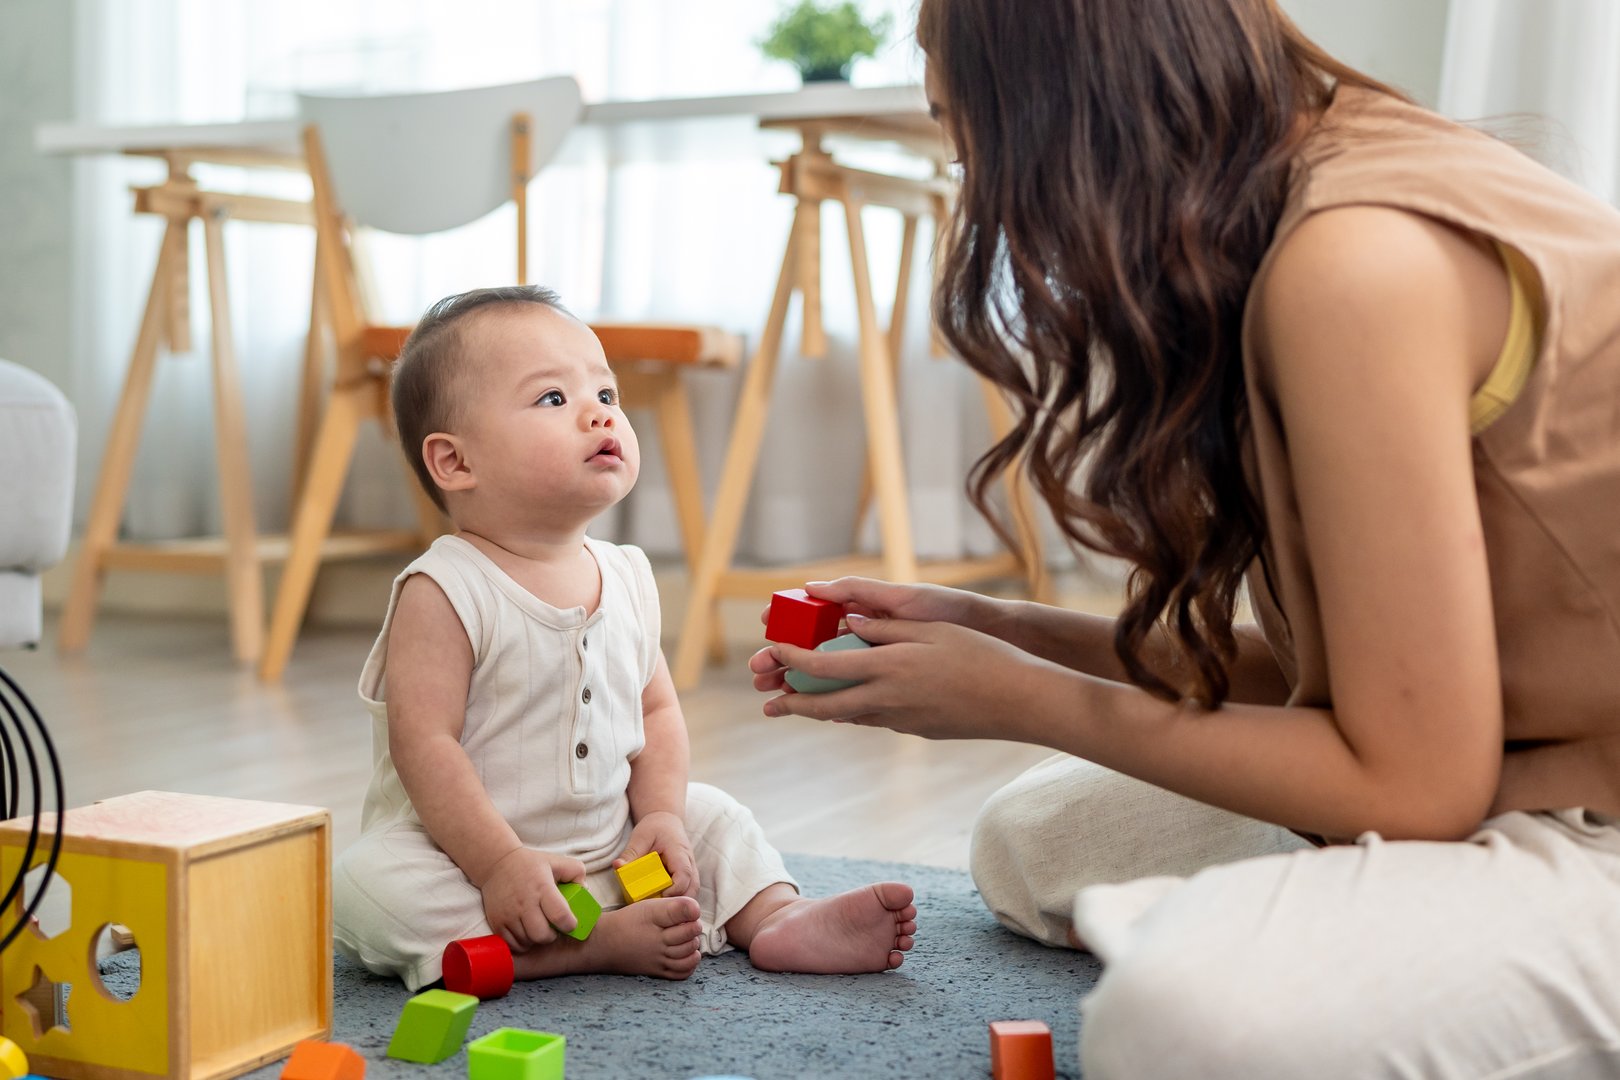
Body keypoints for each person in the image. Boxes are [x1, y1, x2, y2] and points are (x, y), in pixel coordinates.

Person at [749, 0, 1620, 1075]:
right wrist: (1005, 632)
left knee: (1181, 1020)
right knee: (1035, 841)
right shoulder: (1308, 193)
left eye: (959, 121)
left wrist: (1019, 698)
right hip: (1514, 757)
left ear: (1059, 109)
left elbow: (1412, 784)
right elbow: (1367, 681)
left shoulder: (1354, 265)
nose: (976, 176)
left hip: (1588, 809)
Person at [333, 285, 917, 990]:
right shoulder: (444, 590)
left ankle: (777, 917)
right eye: (553, 399)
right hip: (474, 866)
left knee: (713, 815)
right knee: (369, 885)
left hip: (620, 859)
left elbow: (656, 713)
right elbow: (424, 745)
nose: (599, 411)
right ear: (455, 463)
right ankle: (582, 946)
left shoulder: (629, 576)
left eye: (605, 391)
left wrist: (662, 817)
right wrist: (499, 864)